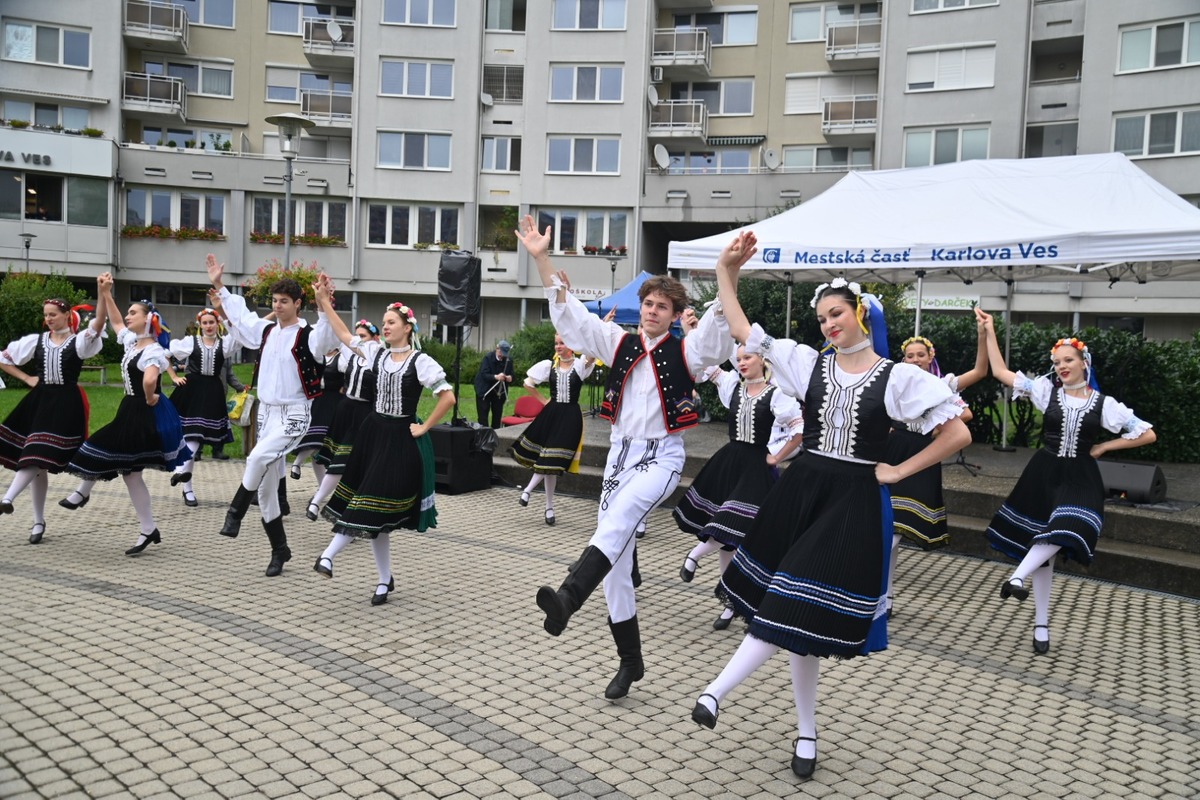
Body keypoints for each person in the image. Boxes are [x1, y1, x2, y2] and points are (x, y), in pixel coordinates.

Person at [690, 232, 970, 779]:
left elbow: (955, 432)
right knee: (800, 622)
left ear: (861, 314)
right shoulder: (805, 362)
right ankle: (807, 731)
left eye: (835, 313)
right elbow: (744, 330)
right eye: (821, 318)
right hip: (803, 491)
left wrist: (896, 470)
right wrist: (727, 274)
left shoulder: (898, 377)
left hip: (851, 503)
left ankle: (715, 692)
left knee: (790, 607)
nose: (827, 324)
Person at [516, 214, 728, 701]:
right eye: (648, 303)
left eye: (661, 306)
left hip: (661, 458)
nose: (652, 311)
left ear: (675, 315)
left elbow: (716, 339)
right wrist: (542, 259)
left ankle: (568, 598)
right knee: (616, 562)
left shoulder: (688, 352)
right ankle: (630, 662)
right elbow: (574, 319)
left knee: (620, 522)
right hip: (618, 458)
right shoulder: (620, 343)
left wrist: (724, 274)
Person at [975, 308, 1155, 654]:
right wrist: (989, 330)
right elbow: (1000, 372)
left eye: (1068, 360)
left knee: (1067, 528)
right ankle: (1041, 625)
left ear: (1084, 362)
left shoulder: (1104, 404)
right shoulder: (1047, 393)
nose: (1062, 366)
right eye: (1057, 362)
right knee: (1047, 552)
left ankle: (1015, 577)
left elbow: (1146, 434)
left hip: (1081, 477)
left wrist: (1104, 445)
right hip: (1045, 473)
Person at [311, 295, 455, 605]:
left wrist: (425, 426)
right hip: (372, 434)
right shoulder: (376, 353)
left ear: (407, 327)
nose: (386, 326)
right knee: (375, 517)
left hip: (399, 440)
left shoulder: (420, 361)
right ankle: (383, 579)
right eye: (385, 322)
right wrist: (324, 303)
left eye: (391, 322)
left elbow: (448, 397)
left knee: (365, 503)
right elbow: (345, 335)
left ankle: (328, 556)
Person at [205, 253, 339, 577]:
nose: (277, 306)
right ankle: (280, 550)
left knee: (255, 459)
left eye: (283, 301)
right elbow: (244, 317)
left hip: (295, 413)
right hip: (266, 413)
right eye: (275, 301)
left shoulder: (308, 335)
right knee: (266, 490)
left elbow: (328, 336)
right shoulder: (267, 332)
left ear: (297, 303)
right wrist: (219, 286)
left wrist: (324, 305)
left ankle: (235, 512)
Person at [673, 346, 803, 630]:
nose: (742, 362)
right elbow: (703, 358)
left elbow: (798, 430)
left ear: (763, 360)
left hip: (756, 469)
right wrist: (693, 329)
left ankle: (694, 557)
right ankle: (730, 605)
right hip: (729, 464)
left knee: (730, 525)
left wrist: (776, 457)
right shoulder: (732, 385)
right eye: (740, 358)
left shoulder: (776, 393)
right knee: (728, 543)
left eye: (748, 357)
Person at [64, 292, 188, 555]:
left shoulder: (153, 349)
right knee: (130, 473)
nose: (128, 316)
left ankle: (83, 493)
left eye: (134, 313)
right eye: (129, 312)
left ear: (148, 319)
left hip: (142, 412)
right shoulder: (134, 342)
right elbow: (117, 322)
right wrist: (107, 294)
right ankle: (147, 528)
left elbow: (150, 380)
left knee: (106, 451)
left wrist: (149, 397)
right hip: (131, 409)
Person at [883, 327, 988, 617]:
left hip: (921, 459)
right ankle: (885, 597)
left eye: (920, 355)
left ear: (931, 356)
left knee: (894, 533)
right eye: (909, 355)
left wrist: (983, 334)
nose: (915, 360)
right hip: (892, 453)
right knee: (887, 531)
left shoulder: (943, 385)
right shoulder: (896, 381)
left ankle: (882, 597)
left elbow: (979, 373)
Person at [0, 276, 111, 544]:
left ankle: (7, 499)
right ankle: (37, 521)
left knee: (37, 455)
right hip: (39, 402)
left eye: (53, 314)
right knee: (36, 463)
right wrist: (27, 379)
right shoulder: (36, 341)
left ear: (65, 315)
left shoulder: (79, 341)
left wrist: (102, 292)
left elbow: (97, 324)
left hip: (66, 403)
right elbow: (4, 358)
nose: (48, 319)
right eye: (46, 315)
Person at [511, 334, 595, 525]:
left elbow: (591, 352)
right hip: (552, 414)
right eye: (556, 343)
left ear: (572, 345)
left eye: (562, 342)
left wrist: (603, 325)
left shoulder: (580, 366)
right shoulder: (550, 366)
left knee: (552, 460)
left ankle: (527, 490)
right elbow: (528, 383)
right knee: (549, 462)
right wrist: (543, 400)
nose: (558, 346)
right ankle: (549, 508)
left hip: (570, 418)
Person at [304, 322, 379, 521]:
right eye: (357, 335)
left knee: (352, 464)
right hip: (346, 411)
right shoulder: (351, 354)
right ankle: (320, 500)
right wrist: (324, 308)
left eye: (363, 336)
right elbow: (338, 334)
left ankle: (327, 504)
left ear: (375, 339)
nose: (359, 339)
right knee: (338, 458)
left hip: (366, 414)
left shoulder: (379, 357)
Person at [167, 308, 239, 507]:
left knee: (195, 439)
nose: (208, 326)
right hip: (191, 391)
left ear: (218, 324)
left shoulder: (225, 345)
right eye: (205, 323)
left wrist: (225, 312)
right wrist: (173, 377)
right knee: (191, 437)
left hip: (212, 393)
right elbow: (165, 355)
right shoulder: (191, 342)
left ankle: (182, 477)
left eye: (212, 322)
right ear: (200, 325)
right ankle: (186, 485)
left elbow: (239, 332)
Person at [289, 347, 343, 483]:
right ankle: (320, 486)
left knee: (319, 438)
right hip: (316, 400)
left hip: (333, 401)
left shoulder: (341, 358)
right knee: (313, 441)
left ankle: (297, 463)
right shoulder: (317, 356)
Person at [474, 340, 514, 428]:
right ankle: (483, 436)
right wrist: (496, 377)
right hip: (484, 390)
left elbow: (512, 374)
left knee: (497, 415)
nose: (502, 355)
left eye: (504, 353)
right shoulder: (488, 358)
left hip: (499, 392)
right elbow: (484, 374)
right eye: (500, 352)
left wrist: (509, 378)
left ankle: (496, 435)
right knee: (483, 416)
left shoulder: (508, 360)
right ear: (497, 348)